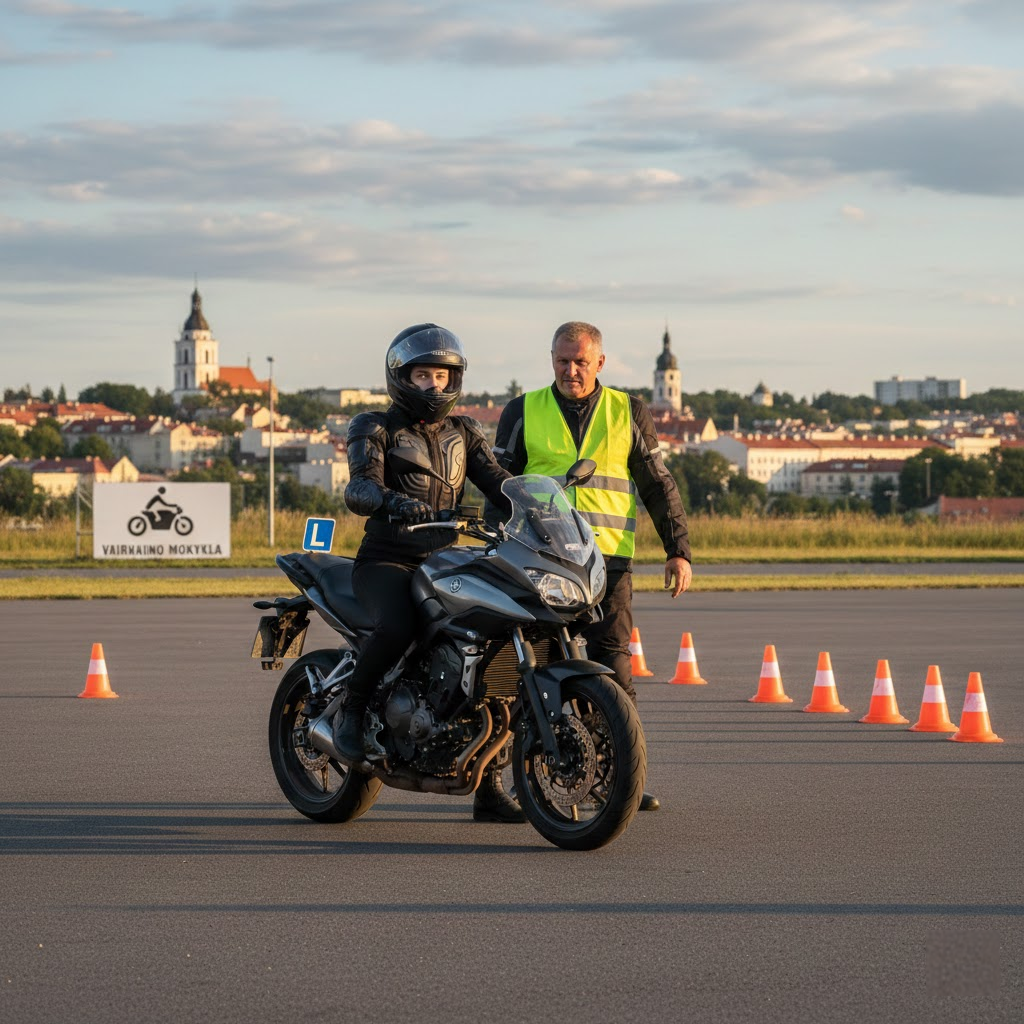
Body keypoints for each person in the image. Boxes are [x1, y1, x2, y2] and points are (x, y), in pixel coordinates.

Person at [489, 321, 692, 812]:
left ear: (600, 362)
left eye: (581, 361)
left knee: (613, 668)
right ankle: (504, 785)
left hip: (608, 561)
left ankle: (620, 781)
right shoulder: (522, 410)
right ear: (551, 359)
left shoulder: (628, 411)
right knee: (526, 669)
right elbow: (496, 485)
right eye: (562, 360)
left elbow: (656, 483)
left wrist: (678, 548)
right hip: (537, 557)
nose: (571, 370)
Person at [337, 323, 523, 823]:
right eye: (424, 375)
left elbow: (499, 483)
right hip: (387, 560)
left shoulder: (464, 432)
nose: (435, 386)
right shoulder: (373, 426)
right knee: (398, 626)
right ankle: (352, 713)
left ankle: (489, 784)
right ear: (402, 377)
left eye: (442, 376)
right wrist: (392, 501)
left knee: (495, 650)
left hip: (445, 561)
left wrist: (534, 504)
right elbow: (359, 488)